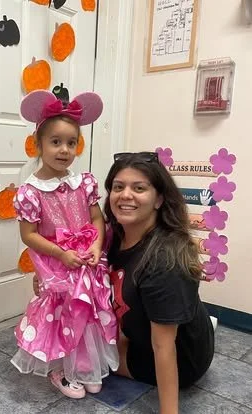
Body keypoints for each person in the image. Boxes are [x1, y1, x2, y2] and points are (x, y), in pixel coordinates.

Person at [11, 90, 119, 399]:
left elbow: (97, 218)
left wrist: (97, 246)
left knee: (89, 312)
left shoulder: (83, 182)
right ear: (38, 144)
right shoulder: (30, 192)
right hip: (58, 263)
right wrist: (61, 253)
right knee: (63, 314)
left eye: (71, 143)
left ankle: (84, 367)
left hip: (87, 259)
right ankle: (61, 369)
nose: (64, 150)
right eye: (55, 142)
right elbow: (28, 234)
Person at [104, 151, 214, 414]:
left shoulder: (163, 262)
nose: (125, 195)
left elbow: (163, 348)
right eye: (118, 187)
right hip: (151, 334)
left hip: (182, 358)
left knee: (89, 358)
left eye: (139, 188)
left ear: (159, 199)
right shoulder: (117, 235)